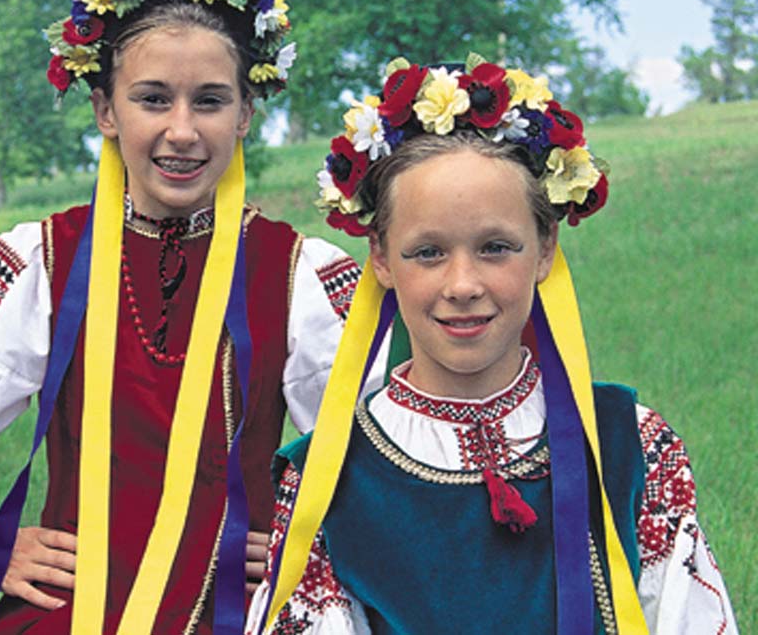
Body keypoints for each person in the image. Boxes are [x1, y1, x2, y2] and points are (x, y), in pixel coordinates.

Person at [0, 0, 378, 634]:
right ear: (106, 110)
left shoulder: (295, 272)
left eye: (209, 101)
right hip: (73, 607)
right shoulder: (47, 260)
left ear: (244, 113)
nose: (181, 130)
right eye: (153, 98)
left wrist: (315, 545)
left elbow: (394, 436)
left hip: (237, 611)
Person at [245, 56, 739, 634]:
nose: (463, 286)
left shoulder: (630, 446)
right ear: (380, 256)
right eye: (428, 252)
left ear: (546, 246)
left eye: (496, 247)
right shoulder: (328, 480)